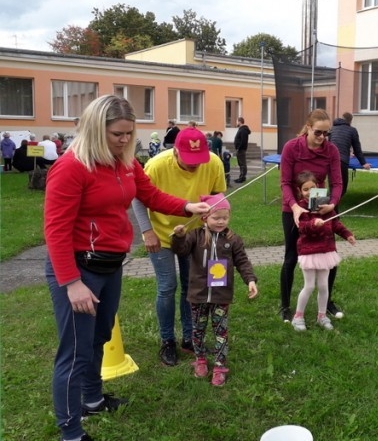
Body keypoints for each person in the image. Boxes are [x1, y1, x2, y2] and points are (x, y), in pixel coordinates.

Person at [44, 95, 210, 441]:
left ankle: (91, 398)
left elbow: (151, 195)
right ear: (95, 129)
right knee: (75, 351)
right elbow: (56, 230)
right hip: (79, 269)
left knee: (100, 337)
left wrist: (187, 206)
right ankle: (71, 432)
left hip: (110, 265)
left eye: (128, 134)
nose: (123, 140)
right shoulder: (71, 166)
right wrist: (72, 283)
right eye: (117, 134)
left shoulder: (125, 162)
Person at [132, 126, 227, 366]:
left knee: (190, 286)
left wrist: (213, 216)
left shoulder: (213, 162)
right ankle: (167, 341)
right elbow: (138, 197)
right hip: (162, 235)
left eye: (199, 159)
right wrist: (147, 231)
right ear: (175, 151)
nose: (195, 165)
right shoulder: (156, 165)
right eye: (189, 159)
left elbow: (219, 196)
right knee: (167, 287)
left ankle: (188, 338)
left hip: (194, 235)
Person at [171, 194, 258, 386]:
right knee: (198, 329)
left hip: (221, 295)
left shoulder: (233, 239)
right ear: (204, 218)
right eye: (216, 218)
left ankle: (220, 365)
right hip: (198, 295)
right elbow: (182, 250)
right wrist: (179, 237)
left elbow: (242, 261)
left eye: (225, 218)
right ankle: (200, 359)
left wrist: (250, 280)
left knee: (221, 331)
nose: (221, 222)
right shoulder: (194, 235)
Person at [278, 109, 343, 323]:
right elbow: (286, 182)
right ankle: (285, 306)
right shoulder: (291, 147)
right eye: (318, 133)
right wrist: (295, 207)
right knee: (291, 256)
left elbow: (337, 182)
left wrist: (331, 204)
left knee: (328, 255)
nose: (322, 138)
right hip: (294, 208)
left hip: (321, 208)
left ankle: (327, 302)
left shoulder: (331, 151)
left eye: (327, 134)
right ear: (308, 128)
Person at [291, 171, 356, 332]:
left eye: (312, 188)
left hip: (326, 251)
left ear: (318, 188)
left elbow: (336, 224)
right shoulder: (301, 209)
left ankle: (322, 316)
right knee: (309, 286)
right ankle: (298, 317)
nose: (309, 192)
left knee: (323, 286)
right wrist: (314, 223)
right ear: (300, 191)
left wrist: (347, 235)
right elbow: (303, 228)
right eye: (305, 189)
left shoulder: (326, 206)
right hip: (309, 253)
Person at [329, 112, 371, 197]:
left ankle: (330, 206)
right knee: (342, 188)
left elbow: (332, 144)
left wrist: (348, 153)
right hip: (341, 161)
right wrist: (364, 163)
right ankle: (332, 206)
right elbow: (357, 149)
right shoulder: (352, 130)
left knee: (333, 187)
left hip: (330, 160)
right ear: (350, 121)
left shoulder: (333, 128)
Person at [233, 117, 251, 183]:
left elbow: (243, 141)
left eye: (237, 121)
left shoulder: (243, 130)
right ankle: (241, 176)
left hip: (241, 149)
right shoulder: (241, 129)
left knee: (242, 164)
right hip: (240, 149)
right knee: (240, 164)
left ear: (240, 121)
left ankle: (242, 177)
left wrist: (239, 148)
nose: (237, 123)